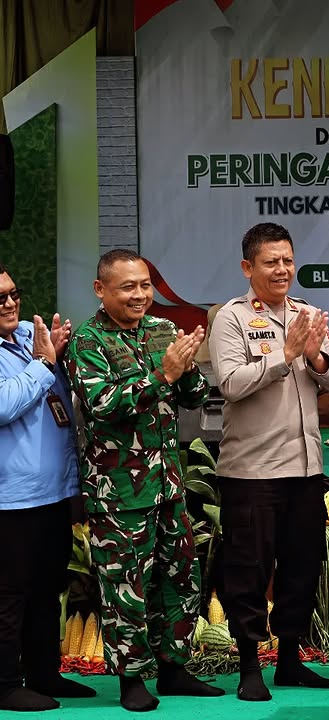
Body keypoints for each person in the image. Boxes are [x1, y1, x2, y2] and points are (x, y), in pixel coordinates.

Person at [67, 249, 223, 711]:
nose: (140, 295)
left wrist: (188, 366)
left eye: (145, 286)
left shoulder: (162, 330)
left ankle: (175, 669)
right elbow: (103, 405)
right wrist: (164, 373)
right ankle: (131, 680)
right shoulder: (87, 341)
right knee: (127, 588)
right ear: (101, 290)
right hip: (120, 494)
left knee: (179, 581)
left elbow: (194, 398)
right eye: (127, 287)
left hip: (169, 485)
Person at [208, 223, 329, 702]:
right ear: (249, 267)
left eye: (288, 260)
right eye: (271, 262)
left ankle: (290, 659)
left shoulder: (307, 314)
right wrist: (284, 357)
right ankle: (250, 665)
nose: (282, 269)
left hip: (305, 469)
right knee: (248, 570)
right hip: (251, 472)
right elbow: (229, 382)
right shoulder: (230, 318)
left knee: (301, 568)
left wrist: (315, 358)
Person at [0, 267, 95, 712]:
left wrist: (58, 353)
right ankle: (4, 682)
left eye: (14, 293)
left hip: (54, 493)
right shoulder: (30, 353)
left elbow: (62, 405)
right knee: (9, 595)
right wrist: (43, 364)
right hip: (10, 499)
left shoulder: (26, 336)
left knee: (46, 589)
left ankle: (43, 674)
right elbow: (4, 407)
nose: (9, 303)